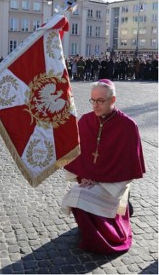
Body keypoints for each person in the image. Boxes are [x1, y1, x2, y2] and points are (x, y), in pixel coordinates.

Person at [62, 79, 145, 253]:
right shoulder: (85, 121)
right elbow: (78, 155)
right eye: (93, 100)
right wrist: (83, 176)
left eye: (101, 101)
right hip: (89, 179)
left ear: (112, 100)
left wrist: (101, 180)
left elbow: (129, 165)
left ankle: (107, 236)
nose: (95, 105)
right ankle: (89, 233)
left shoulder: (128, 126)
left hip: (114, 183)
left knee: (91, 196)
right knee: (76, 194)